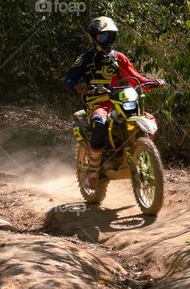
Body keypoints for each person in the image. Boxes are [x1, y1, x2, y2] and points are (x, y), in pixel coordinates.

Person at [64, 16, 163, 188]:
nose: (107, 40)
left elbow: (136, 79)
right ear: (94, 37)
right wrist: (78, 86)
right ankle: (94, 169)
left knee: (147, 117)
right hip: (97, 103)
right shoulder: (86, 58)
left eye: (111, 36)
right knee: (100, 121)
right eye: (103, 36)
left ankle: (142, 153)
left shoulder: (119, 57)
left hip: (120, 100)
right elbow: (69, 79)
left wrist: (153, 83)